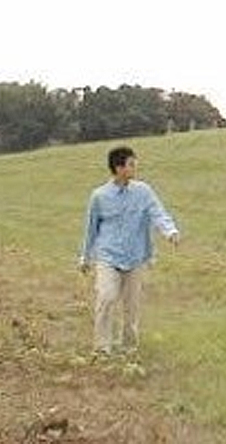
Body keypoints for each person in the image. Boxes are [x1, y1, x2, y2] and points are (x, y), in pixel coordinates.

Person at [78, 146, 180, 356]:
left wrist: (170, 231)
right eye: (131, 164)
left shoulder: (144, 191)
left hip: (136, 256)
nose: (135, 168)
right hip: (108, 256)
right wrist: (85, 257)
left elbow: (158, 213)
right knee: (106, 297)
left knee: (131, 306)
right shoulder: (99, 196)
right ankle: (102, 348)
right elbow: (91, 228)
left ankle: (129, 348)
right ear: (118, 168)